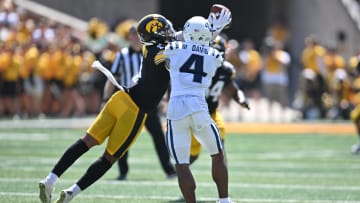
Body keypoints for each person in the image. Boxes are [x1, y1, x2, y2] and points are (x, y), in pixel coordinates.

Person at [38, 13, 176, 203]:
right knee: (109, 158)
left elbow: (174, 45)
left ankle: (50, 179)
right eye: (165, 29)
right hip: (135, 110)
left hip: (119, 99)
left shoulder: (148, 48)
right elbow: (175, 53)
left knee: (86, 141)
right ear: (156, 33)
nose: (169, 32)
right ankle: (72, 192)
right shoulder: (161, 52)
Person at [164, 15, 233, 203]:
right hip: (199, 108)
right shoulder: (215, 55)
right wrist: (212, 31)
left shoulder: (173, 48)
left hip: (176, 110)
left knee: (182, 165)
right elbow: (203, 48)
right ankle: (224, 200)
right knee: (217, 154)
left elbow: (167, 50)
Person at [102, 23, 176, 180]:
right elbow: (112, 78)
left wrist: (164, 99)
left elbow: (163, 78)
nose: (135, 37)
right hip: (128, 102)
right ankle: (123, 172)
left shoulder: (151, 51)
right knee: (122, 136)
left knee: (158, 136)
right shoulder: (122, 55)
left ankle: (169, 170)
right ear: (129, 37)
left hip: (149, 102)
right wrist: (105, 99)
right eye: (132, 35)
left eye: (138, 34)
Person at [189, 35, 250, 164]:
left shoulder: (226, 70)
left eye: (219, 53)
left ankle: (223, 180)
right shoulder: (196, 68)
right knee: (192, 154)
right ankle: (178, 173)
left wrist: (241, 98)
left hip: (212, 112)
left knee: (220, 147)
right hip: (194, 114)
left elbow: (232, 88)